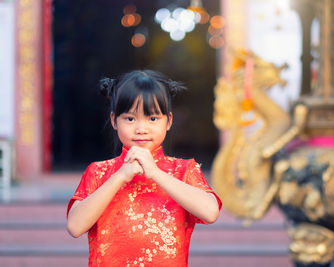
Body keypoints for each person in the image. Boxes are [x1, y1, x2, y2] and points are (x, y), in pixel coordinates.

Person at [66, 70, 222, 266]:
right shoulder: (99, 172)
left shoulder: (184, 170)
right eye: (130, 119)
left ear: (169, 121)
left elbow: (210, 212)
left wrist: (156, 173)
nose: (141, 128)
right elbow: (74, 226)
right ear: (114, 120)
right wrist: (120, 176)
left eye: (153, 119)